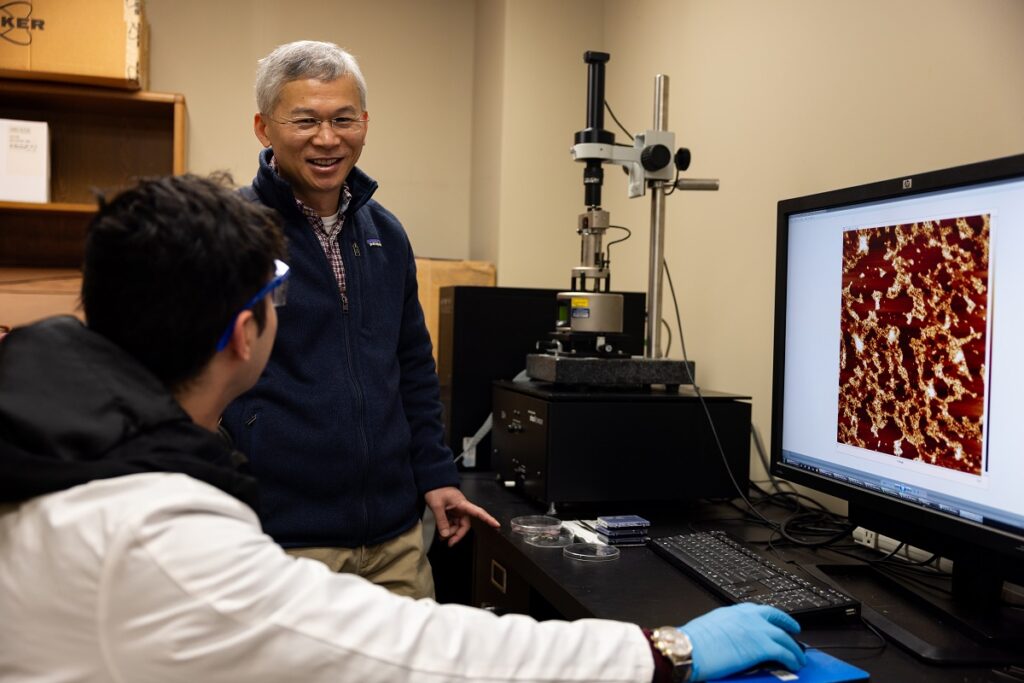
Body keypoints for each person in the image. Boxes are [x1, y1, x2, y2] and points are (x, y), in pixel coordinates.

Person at [0, 173, 806, 682]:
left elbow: (413, 367)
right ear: (247, 335)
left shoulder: (55, 435)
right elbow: (410, 653)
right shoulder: (148, 531)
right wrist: (666, 649)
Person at [219, 39, 497, 599]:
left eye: (344, 119)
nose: (328, 138)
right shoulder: (233, 233)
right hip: (285, 542)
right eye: (305, 121)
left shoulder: (385, 234)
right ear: (263, 127)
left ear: (364, 123)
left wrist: (437, 477)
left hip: (394, 540)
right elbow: (199, 373)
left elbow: (412, 364)